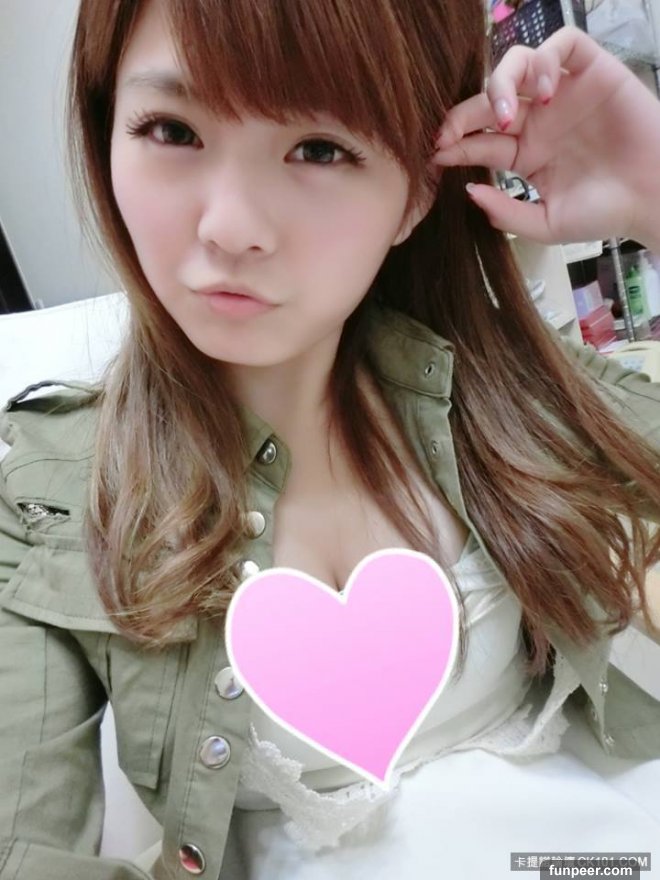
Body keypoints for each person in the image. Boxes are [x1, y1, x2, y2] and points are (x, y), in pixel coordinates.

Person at [1, 0, 660, 876]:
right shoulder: (52, 493)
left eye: (319, 149)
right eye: (172, 130)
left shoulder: (502, 382)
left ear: (415, 193)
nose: (230, 226)